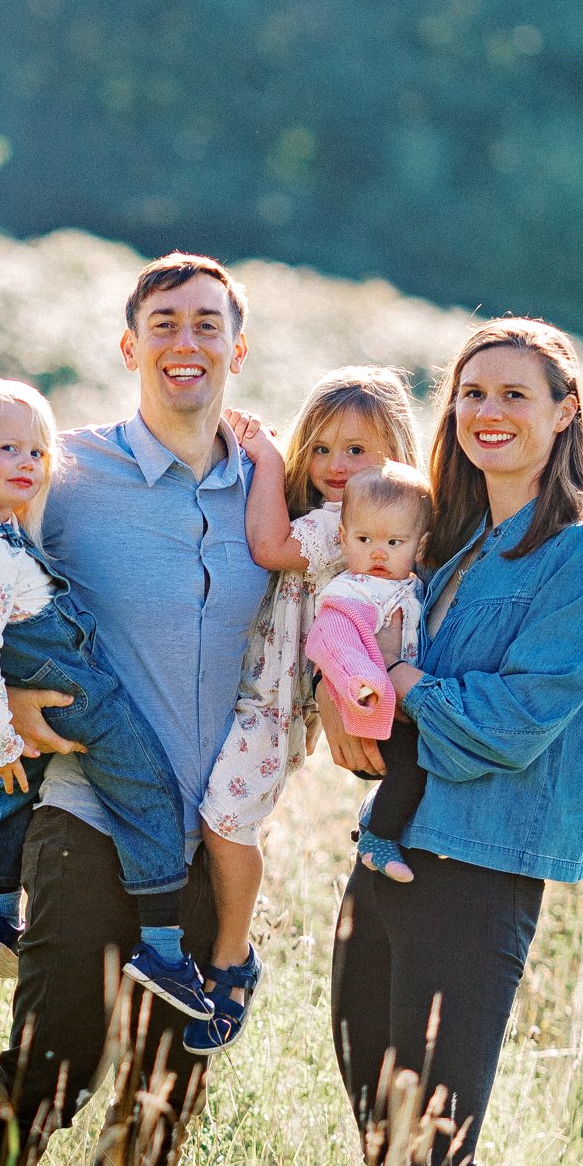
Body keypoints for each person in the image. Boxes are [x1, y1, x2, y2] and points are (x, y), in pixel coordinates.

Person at [0, 253, 272, 1166]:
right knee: (48, 1070)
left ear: (238, 343)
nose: (186, 342)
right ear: (129, 343)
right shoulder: (64, 472)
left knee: (162, 1107)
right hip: (85, 819)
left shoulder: (270, 495)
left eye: (206, 323)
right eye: (165, 322)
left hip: (208, 843)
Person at [326, 318, 583, 1166]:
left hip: (476, 872)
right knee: (388, 1150)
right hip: (386, 856)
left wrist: (404, 687)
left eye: (514, 394)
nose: (487, 411)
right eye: (471, 392)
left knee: (432, 1157)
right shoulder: (448, 545)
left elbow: (511, 727)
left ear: (565, 410)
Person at [0, 375, 213, 1019]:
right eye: (6, 450)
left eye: (36, 451)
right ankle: (164, 948)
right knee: (149, 793)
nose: (29, 463)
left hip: (43, 685)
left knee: (15, 796)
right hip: (78, 692)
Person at [187, 368, 421, 1056]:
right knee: (214, 816)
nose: (336, 467)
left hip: (273, 704)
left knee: (229, 819)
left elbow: (268, 549)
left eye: (358, 451)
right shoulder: (357, 521)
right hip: (245, 690)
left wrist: (265, 455)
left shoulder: (343, 525)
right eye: (320, 450)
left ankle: (233, 957)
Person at [305, 460, 431, 884]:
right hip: (369, 707)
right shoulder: (352, 591)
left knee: (423, 764)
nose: (379, 553)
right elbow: (333, 641)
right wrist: (363, 684)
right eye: (364, 539)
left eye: (395, 542)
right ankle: (378, 839)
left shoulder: (411, 587)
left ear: (420, 544)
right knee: (412, 764)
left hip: (402, 703)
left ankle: (381, 824)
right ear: (343, 539)